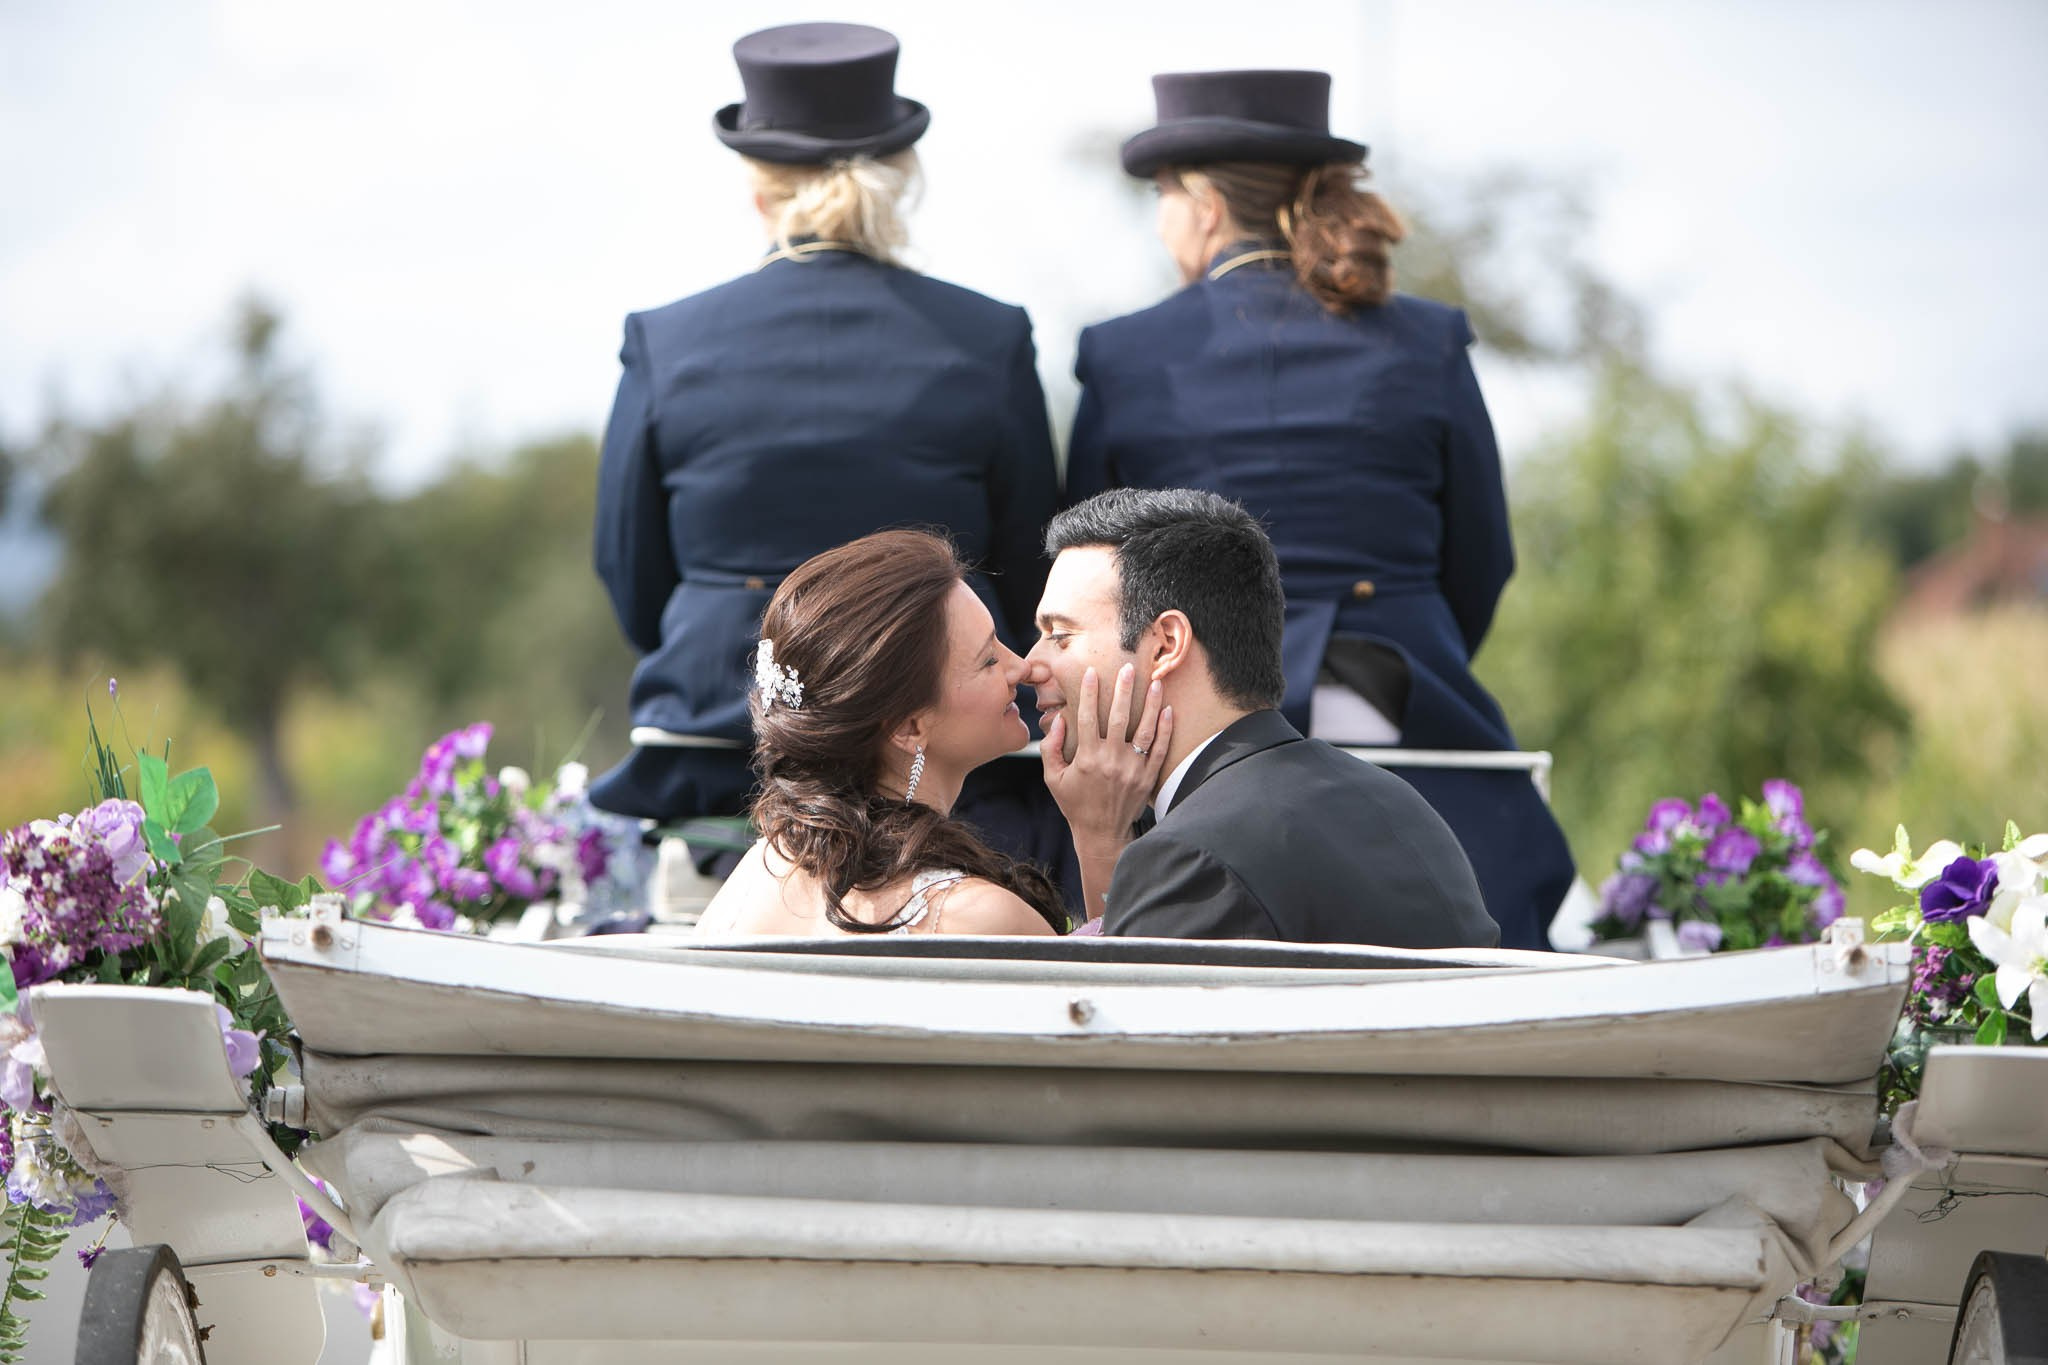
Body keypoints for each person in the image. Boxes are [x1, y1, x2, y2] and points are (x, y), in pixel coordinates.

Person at [1064, 68, 1574, 950]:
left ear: (1206, 205)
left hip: (1199, 708)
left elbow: (1092, 572)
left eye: (1162, 196)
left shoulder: (1123, 353)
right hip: (1407, 700)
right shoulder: (1428, 338)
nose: (1161, 220)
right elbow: (1482, 559)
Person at [590, 22, 1065, 887]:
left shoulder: (666, 340)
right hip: (947, 751)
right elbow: (1033, 562)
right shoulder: (989, 337)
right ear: (900, 179)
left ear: (760, 191)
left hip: (721, 740)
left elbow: (631, 570)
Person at [1027, 488, 1497, 948]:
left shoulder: (1193, 857)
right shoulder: (1397, 801)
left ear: (1166, 645)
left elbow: (1121, 1018)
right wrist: (1099, 834)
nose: (1030, 664)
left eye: (1060, 634)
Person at [694, 530, 1164, 938]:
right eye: (987, 659)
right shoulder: (976, 918)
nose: (1020, 666)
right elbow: (1111, 1021)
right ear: (908, 725)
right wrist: (1102, 838)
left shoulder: (759, 871)